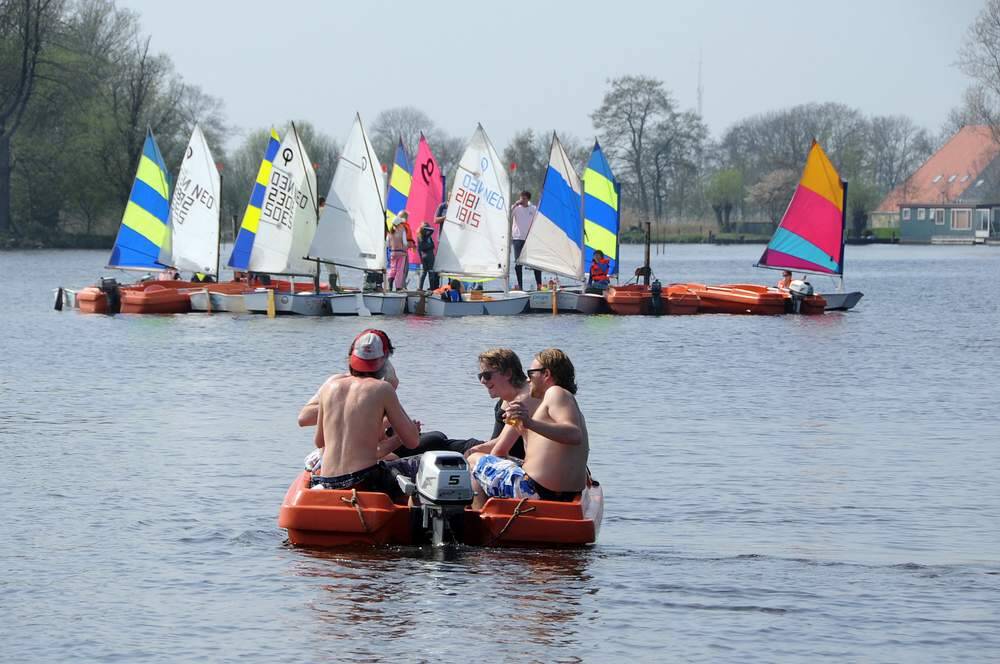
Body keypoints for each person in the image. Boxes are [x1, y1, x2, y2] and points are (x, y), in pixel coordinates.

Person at [306, 329, 421, 492]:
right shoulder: (382, 389)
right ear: (384, 362)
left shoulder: (329, 387)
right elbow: (413, 441)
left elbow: (319, 441)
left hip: (327, 480)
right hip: (364, 480)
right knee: (429, 463)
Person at [468, 348, 589, 502]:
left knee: (474, 460)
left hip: (534, 489)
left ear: (546, 374)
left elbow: (574, 434)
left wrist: (529, 423)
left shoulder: (556, 392)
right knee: (482, 457)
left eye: (531, 373)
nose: (528, 379)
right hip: (562, 492)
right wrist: (524, 429)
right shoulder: (565, 401)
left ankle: (480, 519)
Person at [394, 348, 530, 460]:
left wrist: (473, 451)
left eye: (487, 375)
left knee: (438, 449)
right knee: (436, 440)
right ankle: (394, 448)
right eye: (480, 376)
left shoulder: (521, 402)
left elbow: (501, 446)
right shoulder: (509, 396)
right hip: (490, 447)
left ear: (508, 373)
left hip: (504, 456)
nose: (482, 381)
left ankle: (392, 457)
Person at [510, 191, 543, 291]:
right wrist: (515, 204)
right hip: (517, 238)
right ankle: (520, 286)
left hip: (529, 239)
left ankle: (539, 285)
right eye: (521, 198)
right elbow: (508, 215)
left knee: (535, 263)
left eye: (524, 198)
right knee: (518, 264)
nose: (522, 200)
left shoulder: (532, 209)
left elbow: (538, 220)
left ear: (528, 199)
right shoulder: (516, 208)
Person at [386, 213, 409, 291]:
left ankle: (390, 286)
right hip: (402, 253)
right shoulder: (402, 230)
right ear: (399, 224)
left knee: (393, 269)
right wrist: (407, 247)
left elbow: (387, 244)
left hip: (393, 253)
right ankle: (398, 288)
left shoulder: (390, 232)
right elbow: (405, 242)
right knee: (400, 270)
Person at [417, 221, 438, 291]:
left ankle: (420, 288)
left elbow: (419, 249)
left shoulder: (419, 236)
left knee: (424, 272)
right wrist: (425, 227)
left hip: (423, 256)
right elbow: (432, 230)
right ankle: (432, 288)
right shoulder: (425, 236)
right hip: (429, 255)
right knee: (431, 272)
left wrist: (421, 259)